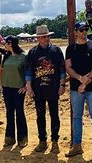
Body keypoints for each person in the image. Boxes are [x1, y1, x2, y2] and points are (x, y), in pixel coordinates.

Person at [65, 21, 92, 160]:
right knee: (76, 116)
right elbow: (68, 67)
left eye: (85, 29)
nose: (84, 32)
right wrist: (79, 78)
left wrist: (85, 81)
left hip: (91, 88)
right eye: (81, 30)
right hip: (76, 88)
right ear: (75, 32)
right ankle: (77, 145)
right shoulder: (70, 49)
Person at [25, 25, 66, 154]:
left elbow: (62, 69)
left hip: (53, 88)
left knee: (54, 115)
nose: (46, 38)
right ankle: (42, 140)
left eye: (47, 36)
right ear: (38, 38)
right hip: (38, 90)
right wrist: (29, 87)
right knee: (40, 115)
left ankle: (55, 141)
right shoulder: (32, 52)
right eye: (43, 36)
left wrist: (62, 84)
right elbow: (29, 71)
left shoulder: (56, 50)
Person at [0, 35, 28, 148]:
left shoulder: (23, 56)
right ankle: (10, 137)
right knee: (9, 112)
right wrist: (0, 85)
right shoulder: (6, 56)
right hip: (7, 87)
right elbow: (0, 70)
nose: (4, 45)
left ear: (10, 44)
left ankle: (22, 137)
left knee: (19, 112)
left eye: (5, 43)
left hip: (18, 88)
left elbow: (28, 72)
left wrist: (26, 85)